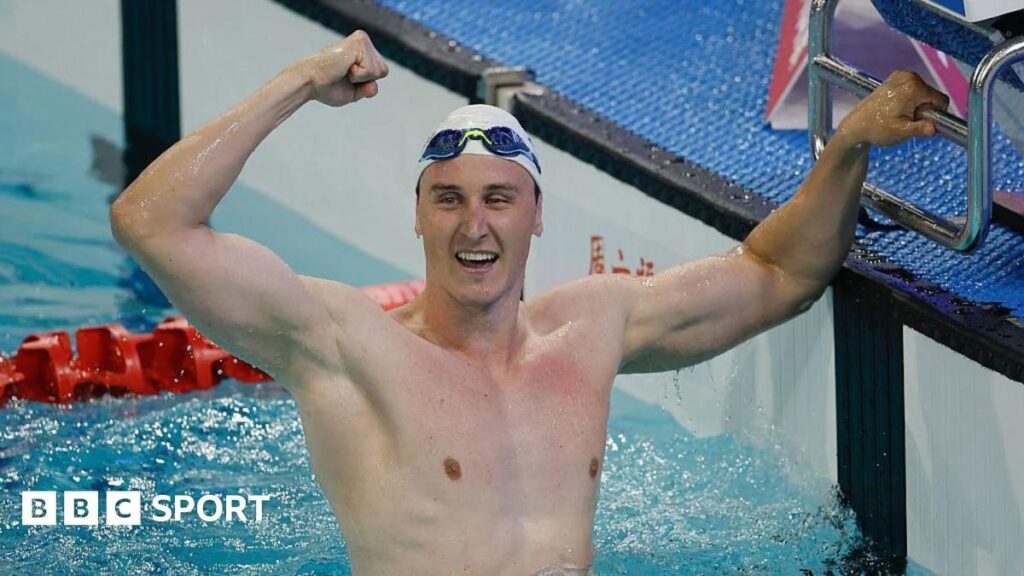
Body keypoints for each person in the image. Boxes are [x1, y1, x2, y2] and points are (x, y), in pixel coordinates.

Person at [110, 31, 949, 576]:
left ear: (539, 214)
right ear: (416, 215)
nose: (474, 227)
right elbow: (151, 222)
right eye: (448, 200)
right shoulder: (343, 345)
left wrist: (849, 144)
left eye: (499, 200)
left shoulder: (591, 330)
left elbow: (778, 274)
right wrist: (296, 79)